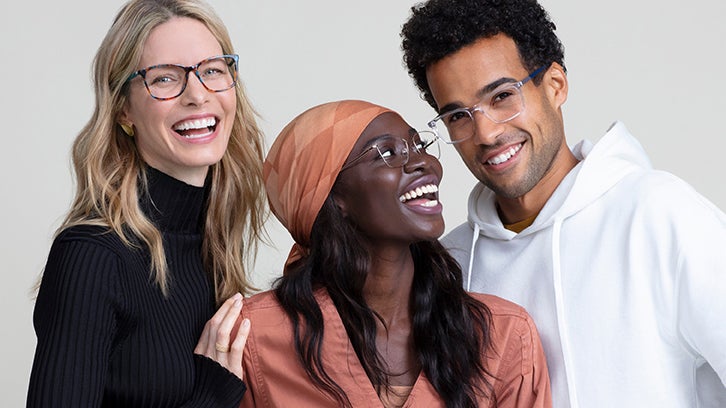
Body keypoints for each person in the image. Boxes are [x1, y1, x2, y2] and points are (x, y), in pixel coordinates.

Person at [400, 0, 726, 407]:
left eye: (502, 96)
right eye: (458, 116)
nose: (484, 132)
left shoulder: (658, 215)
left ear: (555, 85)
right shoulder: (448, 264)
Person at [238, 99, 551, 408]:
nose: (424, 163)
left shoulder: (502, 335)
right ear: (332, 198)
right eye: (386, 153)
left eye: (419, 145)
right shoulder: (254, 337)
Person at [27, 0, 264, 406]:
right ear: (123, 110)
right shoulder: (91, 256)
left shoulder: (214, 242)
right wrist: (210, 398)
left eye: (212, 70)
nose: (197, 95)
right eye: (165, 79)